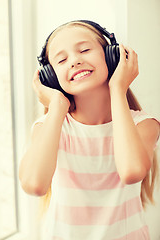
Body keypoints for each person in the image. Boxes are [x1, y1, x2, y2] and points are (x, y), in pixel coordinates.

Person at [19, 20, 160, 240]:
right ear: (51, 78)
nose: (75, 61)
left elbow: (131, 171)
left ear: (112, 56)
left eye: (84, 50)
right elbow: (34, 185)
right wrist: (57, 106)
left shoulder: (144, 124)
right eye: (62, 60)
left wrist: (117, 88)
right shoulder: (49, 127)